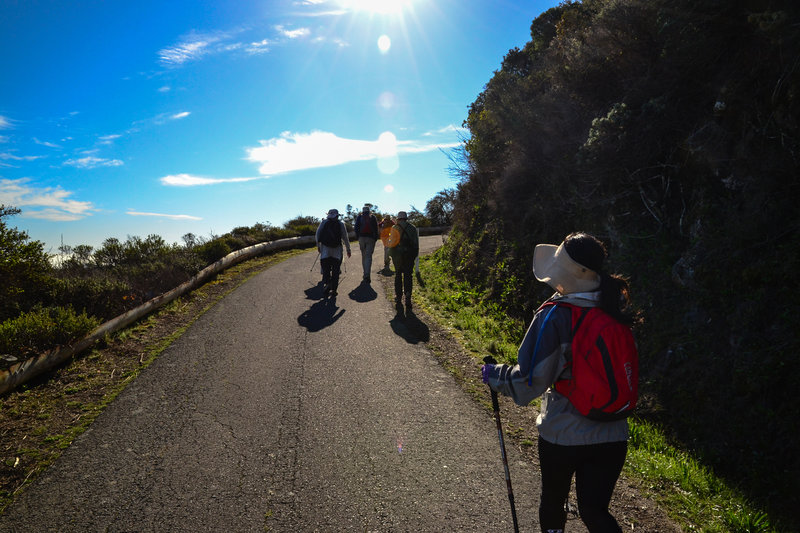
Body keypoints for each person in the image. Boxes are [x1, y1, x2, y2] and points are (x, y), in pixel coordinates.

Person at [482, 232, 635, 533]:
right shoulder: (614, 310)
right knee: (596, 512)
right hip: (615, 431)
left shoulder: (556, 315)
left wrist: (494, 375)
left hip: (564, 433)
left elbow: (530, 382)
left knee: (553, 500)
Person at [387, 211, 419, 316]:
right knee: (408, 275)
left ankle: (398, 297)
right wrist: (414, 255)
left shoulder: (395, 228)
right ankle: (408, 296)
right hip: (409, 255)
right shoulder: (413, 228)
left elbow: (391, 243)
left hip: (397, 256)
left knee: (398, 275)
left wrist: (389, 255)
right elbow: (416, 244)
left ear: (398, 218)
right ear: (406, 218)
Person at [315, 209, 351, 297]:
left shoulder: (324, 222)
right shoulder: (340, 224)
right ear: (337, 215)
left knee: (326, 269)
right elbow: (345, 237)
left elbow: (317, 235)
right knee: (336, 270)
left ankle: (327, 284)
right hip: (337, 250)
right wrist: (348, 249)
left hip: (325, 250)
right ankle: (334, 289)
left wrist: (318, 246)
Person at [354, 205, 379, 282]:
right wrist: (375, 238)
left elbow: (356, 228)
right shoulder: (373, 217)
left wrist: (358, 237)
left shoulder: (359, 217)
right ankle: (367, 275)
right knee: (368, 256)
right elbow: (376, 228)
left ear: (363, 211)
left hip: (361, 238)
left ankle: (365, 273)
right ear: (369, 211)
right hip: (370, 238)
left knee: (364, 256)